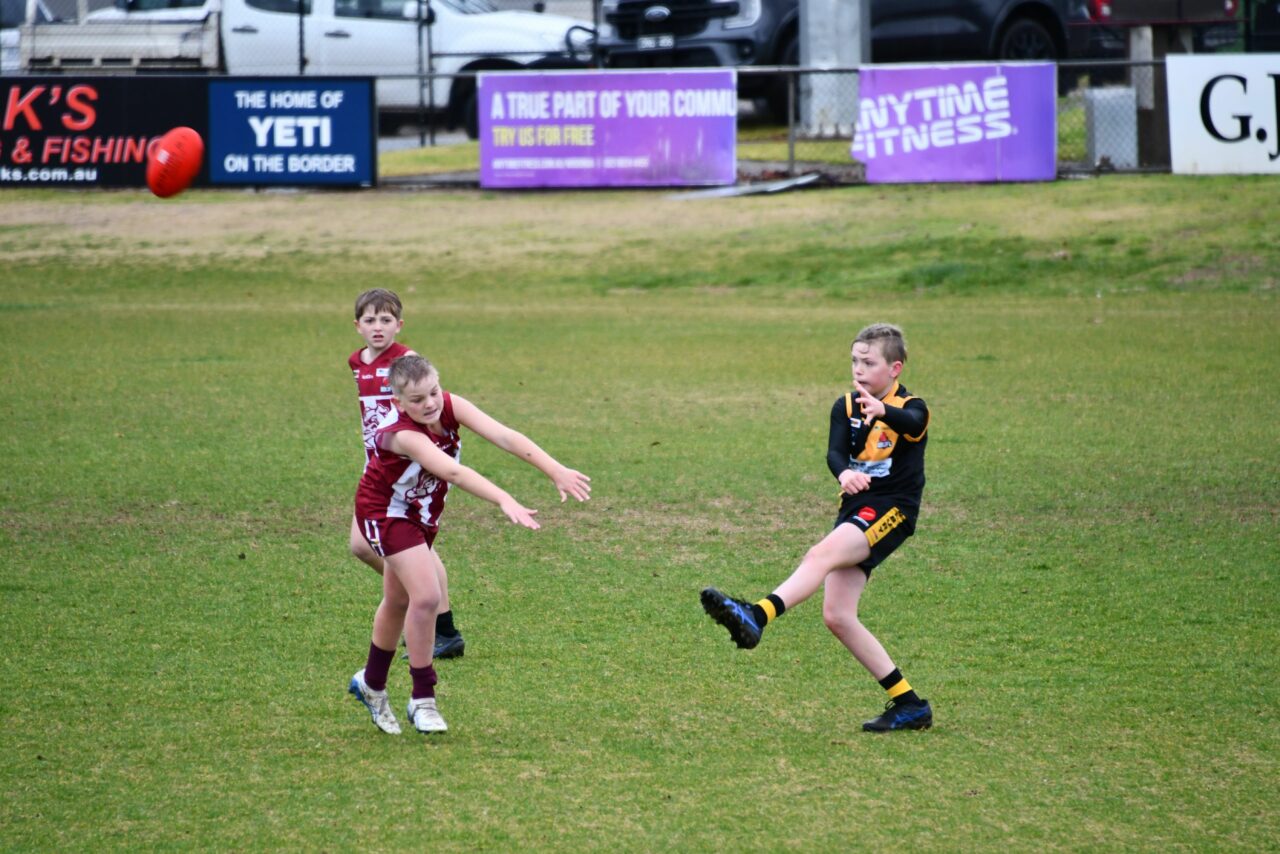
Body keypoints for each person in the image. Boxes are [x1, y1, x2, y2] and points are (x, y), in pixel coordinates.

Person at [700, 323, 933, 733]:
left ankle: (757, 615)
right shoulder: (845, 406)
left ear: (894, 368)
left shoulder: (912, 406)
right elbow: (834, 453)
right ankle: (909, 704)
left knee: (819, 556)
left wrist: (884, 412)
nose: (858, 369)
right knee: (838, 616)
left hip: (892, 509)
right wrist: (844, 474)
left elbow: (913, 423)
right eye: (854, 361)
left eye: (869, 363)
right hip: (856, 510)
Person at [348, 354, 591, 734]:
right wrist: (503, 498)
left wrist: (554, 468)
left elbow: (504, 435)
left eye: (433, 392)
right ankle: (423, 699)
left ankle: (372, 683)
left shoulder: (448, 405)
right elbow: (453, 472)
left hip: (421, 512)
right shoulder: (402, 434)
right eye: (417, 399)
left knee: (397, 600)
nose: (429, 403)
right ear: (399, 403)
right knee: (426, 596)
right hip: (385, 513)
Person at [347, 288, 465, 660]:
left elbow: (430, 404)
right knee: (363, 546)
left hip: (407, 463)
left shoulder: (406, 361)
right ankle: (424, 610)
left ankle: (442, 627)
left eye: (385, 320)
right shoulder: (356, 362)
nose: (378, 327)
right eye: (370, 320)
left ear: (399, 325)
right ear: (357, 325)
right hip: (378, 462)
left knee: (411, 548)